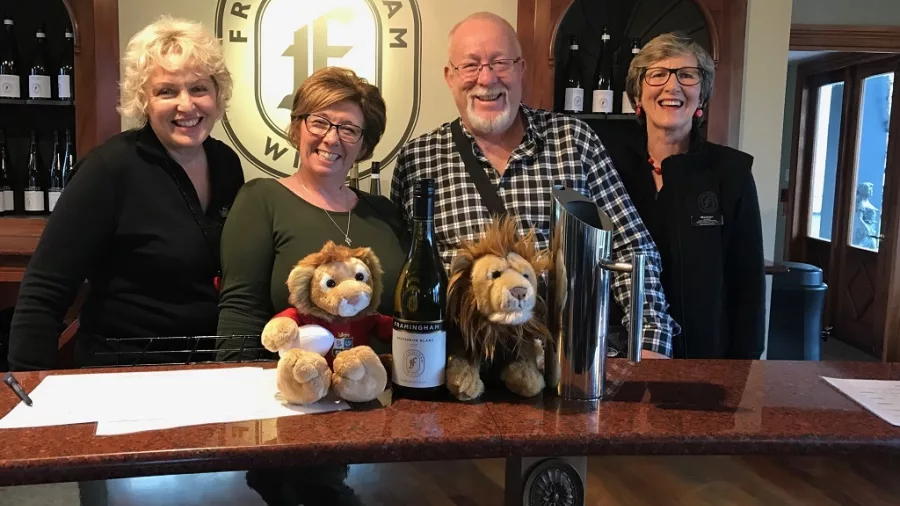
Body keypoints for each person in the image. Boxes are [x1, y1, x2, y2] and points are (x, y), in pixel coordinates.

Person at [390, 12, 678, 358]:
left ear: (521, 68)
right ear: (450, 77)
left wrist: (650, 341)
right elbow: (408, 273)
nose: (487, 78)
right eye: (471, 65)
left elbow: (631, 250)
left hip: (564, 367)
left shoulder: (573, 141)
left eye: (501, 62)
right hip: (460, 365)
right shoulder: (418, 159)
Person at [216, 66, 409, 506]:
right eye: (319, 121)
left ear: (364, 144)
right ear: (297, 126)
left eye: (348, 128)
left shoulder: (384, 213)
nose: (331, 137)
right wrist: (251, 412)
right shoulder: (262, 199)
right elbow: (240, 311)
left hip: (380, 404)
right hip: (297, 404)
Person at [7, 16, 244, 371]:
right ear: (143, 100)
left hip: (208, 369)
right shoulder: (108, 169)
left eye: (198, 88)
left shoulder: (226, 163)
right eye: (167, 91)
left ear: (217, 94)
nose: (186, 105)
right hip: (124, 372)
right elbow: (45, 289)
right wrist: (25, 392)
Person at [605, 32, 765, 359]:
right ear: (638, 94)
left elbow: (747, 285)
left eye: (687, 75)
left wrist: (742, 372)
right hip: (620, 354)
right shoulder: (607, 167)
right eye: (657, 74)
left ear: (702, 96)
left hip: (705, 358)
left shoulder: (731, 172)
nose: (672, 86)